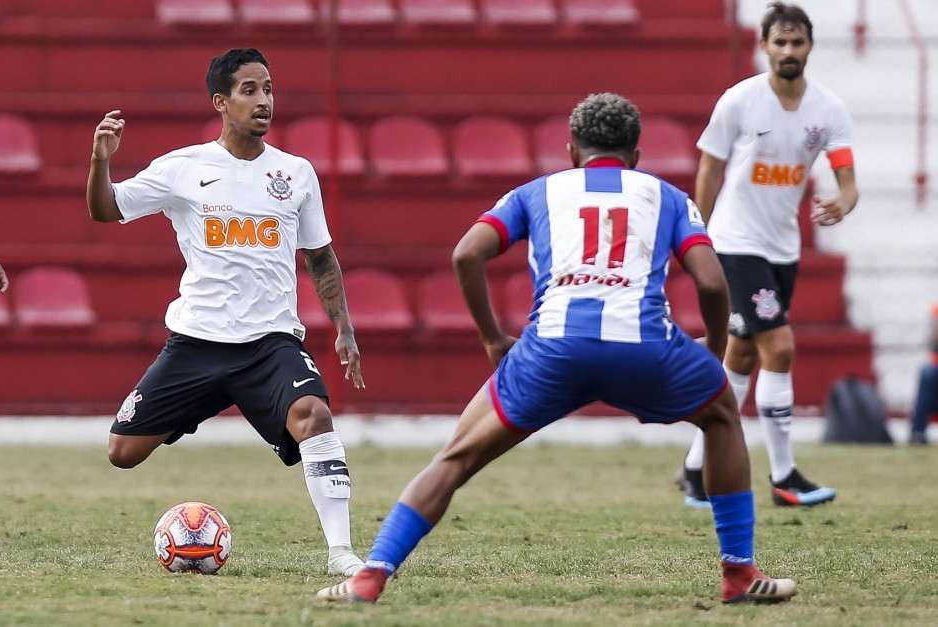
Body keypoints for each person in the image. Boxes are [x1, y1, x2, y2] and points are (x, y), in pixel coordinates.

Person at [316, 93, 797, 605]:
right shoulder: (669, 197)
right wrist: (714, 350)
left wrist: (491, 338)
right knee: (722, 417)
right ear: (636, 155)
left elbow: (466, 254)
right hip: (644, 349)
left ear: (571, 151)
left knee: (456, 456)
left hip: (550, 351)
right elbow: (713, 284)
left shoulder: (536, 192)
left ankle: (371, 577)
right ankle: (739, 575)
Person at [86, 48, 366, 576]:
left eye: (268, 89)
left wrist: (344, 330)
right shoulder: (182, 168)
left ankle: (341, 554)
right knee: (121, 452)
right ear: (221, 102)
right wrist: (101, 159)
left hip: (270, 344)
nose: (264, 101)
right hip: (196, 343)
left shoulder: (296, 173)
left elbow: (321, 256)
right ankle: (203, 399)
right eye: (249, 90)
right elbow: (105, 210)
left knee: (316, 417)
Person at [676, 1, 858, 508]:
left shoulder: (828, 109)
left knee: (742, 355)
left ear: (810, 47)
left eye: (797, 42)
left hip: (783, 248)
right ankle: (785, 478)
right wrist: (701, 238)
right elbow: (709, 170)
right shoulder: (739, 101)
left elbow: (848, 182)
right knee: (779, 348)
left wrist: (841, 203)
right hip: (736, 243)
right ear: (764, 46)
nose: (788, 50)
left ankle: (695, 471)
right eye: (780, 41)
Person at [910, 304, 938, 445]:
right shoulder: (936, 311)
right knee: (926, 373)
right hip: (936, 370)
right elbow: (932, 345)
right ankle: (918, 432)